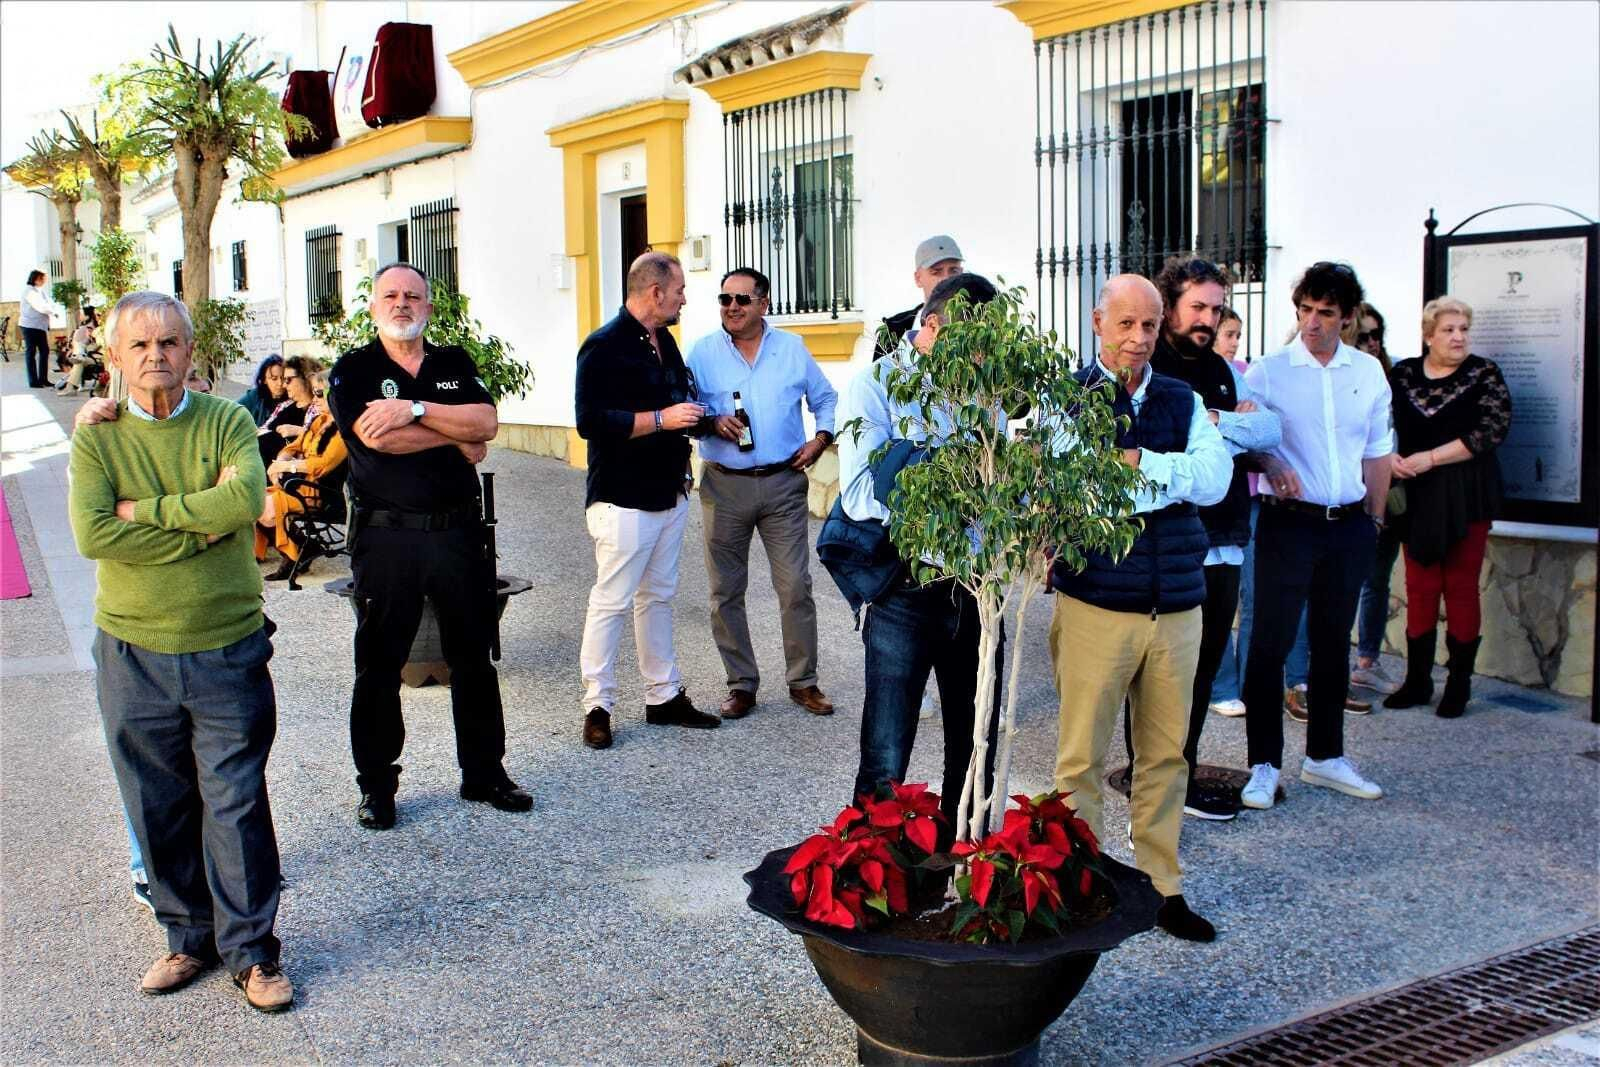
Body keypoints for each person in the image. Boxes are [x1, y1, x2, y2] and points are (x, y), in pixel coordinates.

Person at [67, 290, 293, 1012]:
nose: (155, 355)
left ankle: (253, 953)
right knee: (157, 803)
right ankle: (187, 936)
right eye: (139, 345)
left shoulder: (228, 420)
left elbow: (242, 503)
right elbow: (94, 534)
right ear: (114, 358)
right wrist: (197, 524)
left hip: (226, 646)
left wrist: (148, 511)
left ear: (191, 352)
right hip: (132, 650)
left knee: (235, 801)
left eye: (169, 342)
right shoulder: (97, 438)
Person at [1049, 274, 1231, 942]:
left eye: (1150, 325)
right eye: (1125, 323)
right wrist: (1166, 476)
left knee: (1165, 755)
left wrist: (1137, 464)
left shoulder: (1182, 397)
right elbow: (1086, 493)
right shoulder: (1065, 398)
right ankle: (1079, 880)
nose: (1138, 337)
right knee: (1081, 758)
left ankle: (1162, 886)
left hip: (1179, 604)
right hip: (1098, 600)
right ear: (1098, 322)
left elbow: (1214, 482)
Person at [328, 262, 531, 829]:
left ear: (429, 308)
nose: (401, 303)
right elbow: (377, 442)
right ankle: (378, 787)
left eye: (412, 295)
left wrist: (417, 410)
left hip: (457, 532)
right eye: (390, 295)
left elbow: (487, 423)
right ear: (373, 307)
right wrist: (452, 434)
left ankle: (484, 773)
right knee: (379, 663)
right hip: (387, 538)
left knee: (474, 656)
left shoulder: (453, 364)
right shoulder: (354, 371)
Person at [838, 272, 1005, 843]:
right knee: (886, 748)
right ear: (929, 327)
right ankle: (869, 872)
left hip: (977, 588)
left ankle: (965, 859)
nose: (979, 357)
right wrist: (948, 480)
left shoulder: (987, 390)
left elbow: (1003, 488)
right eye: (968, 342)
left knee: (975, 736)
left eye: (987, 345)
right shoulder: (876, 386)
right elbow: (860, 495)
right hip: (904, 589)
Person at [1239, 262, 1394, 811]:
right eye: (1305, 310)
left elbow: (1378, 451)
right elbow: (1244, 436)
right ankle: (1263, 764)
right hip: (1289, 522)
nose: (1312, 323)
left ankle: (1326, 757)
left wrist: (1373, 521)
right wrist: (1270, 462)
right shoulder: (1268, 371)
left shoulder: (1368, 373)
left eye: (1325, 313)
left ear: (1348, 317)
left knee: (1333, 643)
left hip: (1348, 524)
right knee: (1271, 643)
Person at [1146, 259, 1281, 823]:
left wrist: (1214, 421)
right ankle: (1151, 780)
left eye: (1216, 308)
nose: (1207, 318)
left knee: (1202, 668)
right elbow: (1165, 448)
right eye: (1197, 306)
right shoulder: (1151, 364)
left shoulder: (1223, 370)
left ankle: (1184, 773)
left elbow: (1269, 430)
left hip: (1224, 535)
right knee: (1158, 671)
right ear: (1170, 305)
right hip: (1168, 540)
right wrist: (1226, 429)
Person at [575, 251, 719, 750]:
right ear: (655, 292)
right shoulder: (603, 347)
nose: (684, 298)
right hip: (623, 497)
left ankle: (663, 696)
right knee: (611, 603)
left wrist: (710, 421)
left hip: (670, 492)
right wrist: (660, 419)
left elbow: (680, 408)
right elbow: (590, 423)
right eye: (679, 290)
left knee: (658, 598)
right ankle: (598, 705)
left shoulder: (667, 345)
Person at [686, 267, 838, 720]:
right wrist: (712, 423)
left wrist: (821, 439)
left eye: (742, 300)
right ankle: (741, 684)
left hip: (782, 483)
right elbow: (685, 410)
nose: (731, 307)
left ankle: (803, 681)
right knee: (725, 591)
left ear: (763, 304)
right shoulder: (702, 353)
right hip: (723, 485)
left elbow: (825, 398)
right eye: (725, 299)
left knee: (795, 586)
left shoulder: (791, 349)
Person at [1383, 297, 1510, 718]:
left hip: (1465, 493)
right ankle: (1417, 681)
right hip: (1415, 495)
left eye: (1463, 329)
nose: (1458, 337)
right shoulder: (1402, 375)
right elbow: (1379, 422)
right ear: (1428, 335)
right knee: (1419, 588)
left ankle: (1459, 685)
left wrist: (1432, 458)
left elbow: (1492, 430)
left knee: (1460, 586)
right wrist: (1390, 457)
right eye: (1449, 330)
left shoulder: (1484, 374)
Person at [1349, 302, 1403, 695]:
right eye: (1364, 334)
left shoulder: (1394, 372)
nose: (1372, 342)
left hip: (1387, 490)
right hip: (1345, 494)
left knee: (1376, 580)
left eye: (1377, 334)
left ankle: (1367, 660)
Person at [257, 368, 346, 581]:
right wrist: (283, 460)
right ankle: (301, 546)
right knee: (250, 500)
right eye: (314, 392)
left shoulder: (344, 428)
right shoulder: (320, 421)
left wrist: (287, 468)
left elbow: (323, 464)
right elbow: (294, 446)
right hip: (299, 486)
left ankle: (294, 551)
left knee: (266, 507)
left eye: (318, 393)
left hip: (319, 494)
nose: (314, 399)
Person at [874, 235, 965, 360]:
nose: (946, 278)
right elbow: (878, 376)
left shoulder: (981, 325)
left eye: (953, 271)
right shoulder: (893, 329)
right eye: (936, 271)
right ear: (918, 278)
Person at [257, 356, 316, 470]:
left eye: (288, 380)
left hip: (290, 471)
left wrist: (298, 431)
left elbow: (322, 441)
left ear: (304, 378)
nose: (284, 385)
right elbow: (263, 429)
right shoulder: (284, 405)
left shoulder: (318, 408)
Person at [20, 269, 53, 388]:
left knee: (44, 351)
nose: (44, 281)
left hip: (39, 326)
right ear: (36, 279)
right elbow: (41, 306)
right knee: (31, 352)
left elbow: (48, 303)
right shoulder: (29, 291)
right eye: (42, 278)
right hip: (30, 325)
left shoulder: (39, 291)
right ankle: (33, 381)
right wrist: (51, 311)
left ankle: (43, 379)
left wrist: (51, 309)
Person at [58, 306, 102, 394]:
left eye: (82, 314)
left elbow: (96, 345)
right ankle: (70, 387)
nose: (80, 316)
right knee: (79, 361)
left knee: (79, 360)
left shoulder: (91, 328)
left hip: (96, 357)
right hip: (86, 355)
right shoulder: (86, 327)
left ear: (87, 316)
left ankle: (70, 388)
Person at [240, 355, 288, 426]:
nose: (280, 383)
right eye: (274, 378)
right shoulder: (255, 395)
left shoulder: (292, 395)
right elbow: (233, 409)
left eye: (283, 378)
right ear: (264, 380)